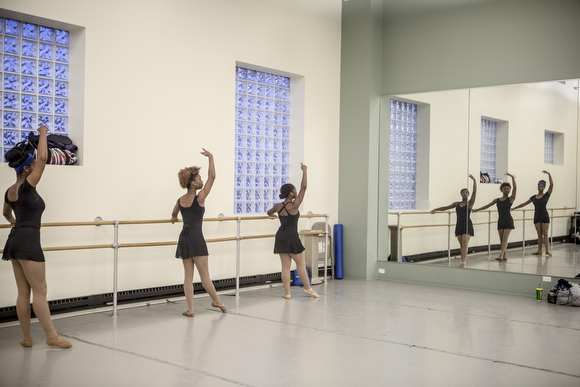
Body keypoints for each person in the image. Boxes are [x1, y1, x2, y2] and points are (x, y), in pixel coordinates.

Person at [2, 125, 72, 348]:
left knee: (24, 291)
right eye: (31, 165)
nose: (35, 166)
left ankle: (27, 338)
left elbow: (6, 213)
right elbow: (43, 158)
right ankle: (51, 337)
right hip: (28, 241)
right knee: (40, 291)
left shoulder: (10, 190)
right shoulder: (27, 187)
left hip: (14, 241)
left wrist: (17, 225)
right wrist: (43, 133)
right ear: (25, 170)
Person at [171, 149, 226, 316]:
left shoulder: (180, 200)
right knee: (205, 275)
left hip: (184, 238)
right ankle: (216, 300)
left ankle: (190, 310)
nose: (202, 180)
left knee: (188, 276)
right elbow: (213, 177)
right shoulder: (200, 197)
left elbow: (174, 214)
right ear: (193, 183)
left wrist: (174, 218)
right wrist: (211, 157)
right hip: (196, 238)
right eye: (199, 179)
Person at [267, 163, 319, 299]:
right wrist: (305, 171)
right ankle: (308, 288)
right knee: (301, 264)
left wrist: (273, 215)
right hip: (291, 234)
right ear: (291, 193)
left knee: (285, 266)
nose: (297, 192)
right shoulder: (294, 205)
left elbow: (268, 212)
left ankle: (287, 293)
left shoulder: (278, 206)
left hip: (280, 235)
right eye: (295, 191)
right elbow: (304, 187)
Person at [431, 174, 477, 267]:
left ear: (468, 195)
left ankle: (464, 262)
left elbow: (475, 192)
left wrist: (474, 180)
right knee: (461, 245)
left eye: (466, 193)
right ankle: (462, 261)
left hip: (467, 224)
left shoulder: (470, 203)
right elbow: (446, 207)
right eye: (463, 192)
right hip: (459, 225)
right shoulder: (456, 204)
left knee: (465, 244)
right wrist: (435, 209)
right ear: (461, 194)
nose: (465, 194)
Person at [473, 173, 517, 261]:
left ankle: (501, 255)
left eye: (508, 188)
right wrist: (477, 210)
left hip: (508, 220)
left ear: (509, 190)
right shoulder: (497, 200)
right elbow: (487, 206)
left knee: (505, 238)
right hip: (501, 220)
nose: (506, 189)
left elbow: (515, 188)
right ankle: (504, 256)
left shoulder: (511, 199)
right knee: (501, 240)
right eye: (504, 188)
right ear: (502, 190)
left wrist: (512, 177)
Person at [513, 171, 553, 256]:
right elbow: (524, 203)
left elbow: (551, 185)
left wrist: (549, 174)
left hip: (544, 215)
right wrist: (513, 208)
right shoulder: (534, 197)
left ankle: (547, 250)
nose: (540, 187)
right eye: (539, 186)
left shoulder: (546, 195)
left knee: (545, 234)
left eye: (542, 186)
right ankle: (539, 250)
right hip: (537, 216)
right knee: (539, 235)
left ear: (544, 187)